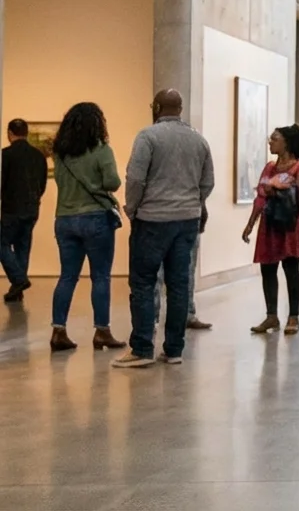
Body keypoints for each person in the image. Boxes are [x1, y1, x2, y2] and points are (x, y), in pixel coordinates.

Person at [112, 89, 214, 368]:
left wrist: (132, 209)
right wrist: (194, 202)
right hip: (186, 221)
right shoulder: (198, 139)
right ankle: (174, 350)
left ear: (156, 107)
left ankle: (142, 348)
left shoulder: (148, 136)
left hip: (153, 220)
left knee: (144, 282)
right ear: (180, 109)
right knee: (179, 285)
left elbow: (135, 177)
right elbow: (208, 182)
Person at [49, 102, 126, 353]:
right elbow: (112, 183)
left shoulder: (59, 153)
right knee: (100, 276)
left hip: (64, 219)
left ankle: (58, 331)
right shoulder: (102, 150)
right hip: (95, 219)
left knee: (67, 276)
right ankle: (102, 331)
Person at [241, 125, 299, 336]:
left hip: (290, 224)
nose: (270, 142)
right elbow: (261, 196)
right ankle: (271, 315)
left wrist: (280, 187)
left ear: (286, 143)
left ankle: (293, 316)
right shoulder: (270, 167)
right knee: (268, 269)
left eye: (275, 139)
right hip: (270, 223)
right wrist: (250, 224)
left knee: (291, 269)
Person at [1, 119, 47, 303]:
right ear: (26, 133)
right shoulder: (39, 156)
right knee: (23, 247)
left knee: (2, 243)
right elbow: (42, 184)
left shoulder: (5, 155)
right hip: (32, 209)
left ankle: (19, 280)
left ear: (10, 133)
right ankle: (16, 291)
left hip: (11, 209)